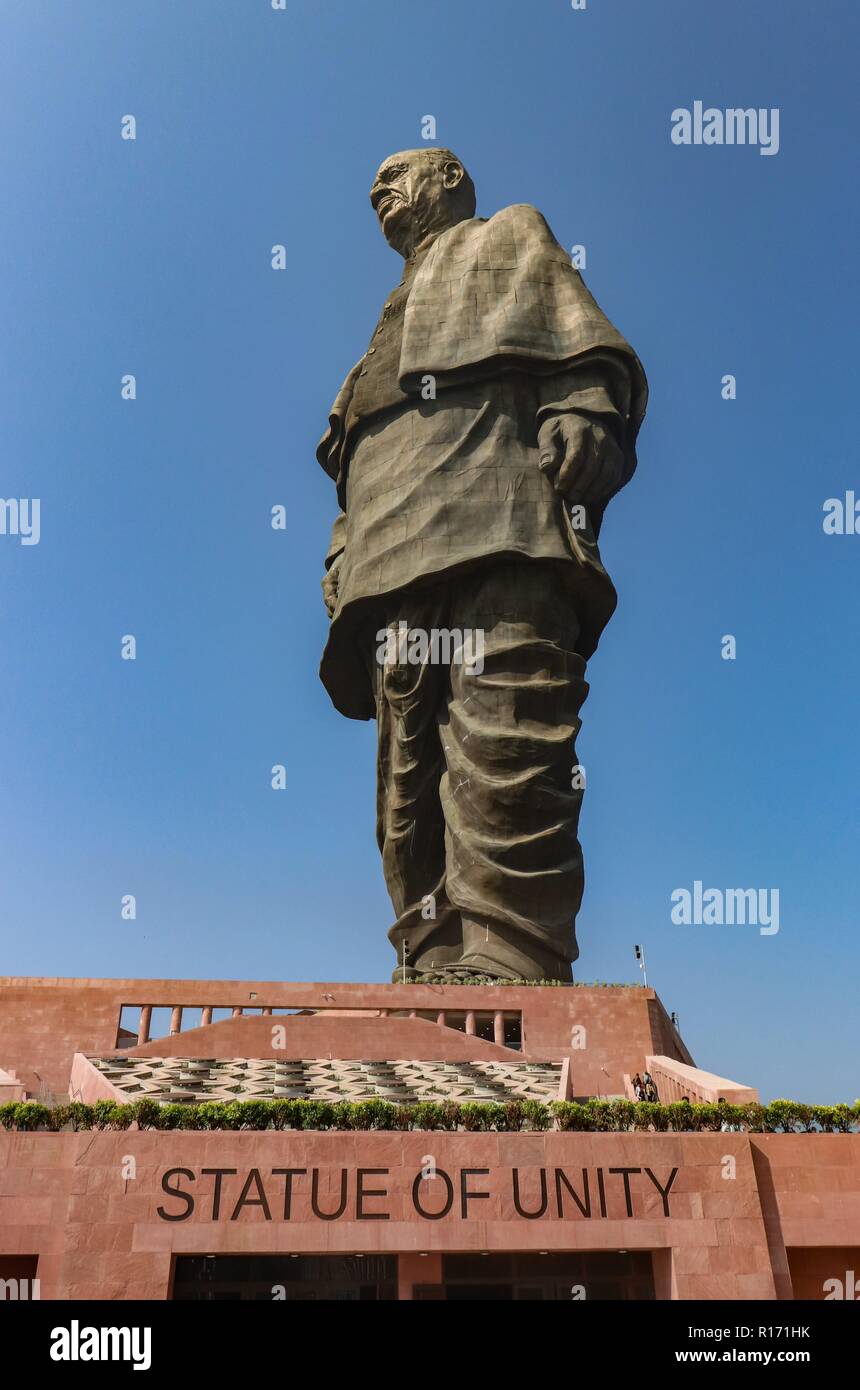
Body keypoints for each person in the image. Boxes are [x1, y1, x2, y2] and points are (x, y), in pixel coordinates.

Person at [318, 147, 647, 982]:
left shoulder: (509, 236)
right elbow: (351, 453)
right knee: (406, 778)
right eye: (373, 183)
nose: (378, 190)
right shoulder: (380, 323)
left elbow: (582, 347)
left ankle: (510, 959)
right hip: (392, 543)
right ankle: (428, 963)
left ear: (451, 180)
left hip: (497, 511)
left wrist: (584, 408)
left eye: (397, 173)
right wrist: (341, 546)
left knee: (504, 732)